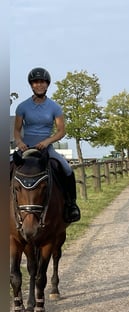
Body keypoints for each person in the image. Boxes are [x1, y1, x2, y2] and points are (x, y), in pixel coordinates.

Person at [13, 67, 81, 223]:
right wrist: (19, 142)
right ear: (31, 85)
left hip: (46, 147)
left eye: (42, 82)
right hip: (25, 147)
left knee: (66, 168)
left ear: (47, 84)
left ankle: (71, 205)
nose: (39, 85)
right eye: (36, 82)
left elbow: (61, 131)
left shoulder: (55, 107)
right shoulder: (22, 106)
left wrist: (47, 141)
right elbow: (16, 131)